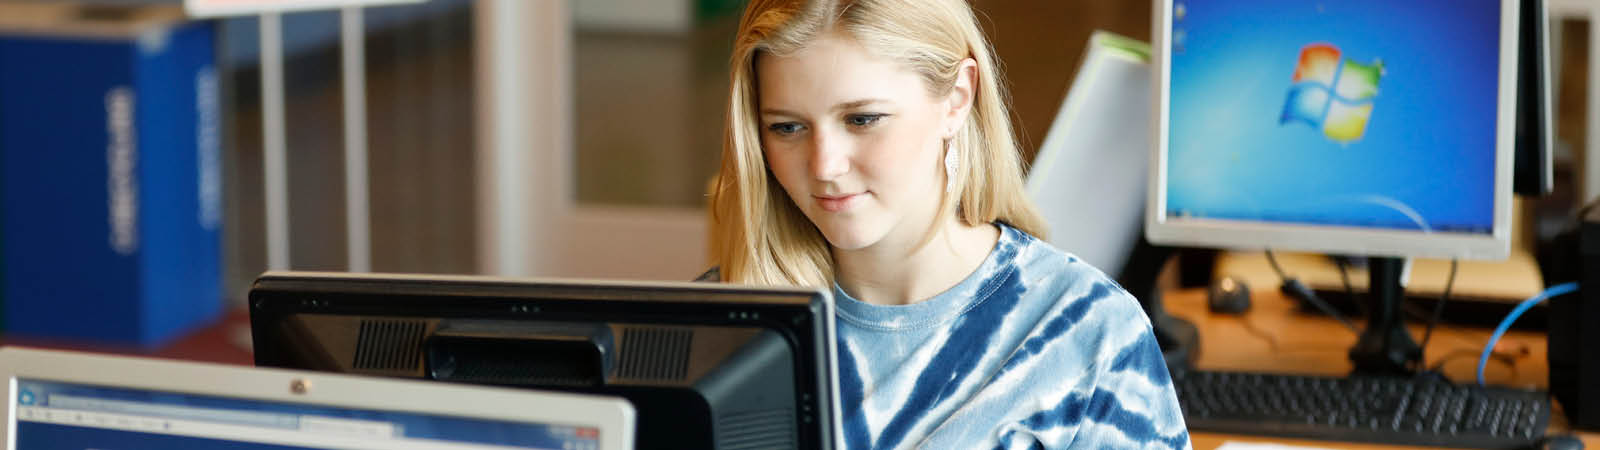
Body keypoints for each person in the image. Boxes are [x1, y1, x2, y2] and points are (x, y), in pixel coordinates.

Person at [703, 0, 1190, 448]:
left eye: (862, 119)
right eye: (787, 128)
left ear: (957, 99)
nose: (824, 166)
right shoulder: (719, 324)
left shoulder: (1088, 331)